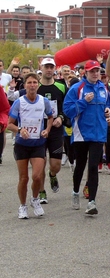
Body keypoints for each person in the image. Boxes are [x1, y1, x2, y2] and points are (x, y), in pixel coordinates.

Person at [63, 60, 110, 215]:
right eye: (92, 71)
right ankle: (75, 192)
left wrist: (109, 113)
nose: (96, 73)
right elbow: (68, 111)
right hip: (81, 134)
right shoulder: (77, 88)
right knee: (80, 165)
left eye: (97, 71)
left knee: (93, 167)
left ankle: (92, 201)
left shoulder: (103, 88)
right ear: (85, 72)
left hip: (99, 134)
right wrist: (84, 102)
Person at [7, 72, 53, 219]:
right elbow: (9, 124)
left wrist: (47, 129)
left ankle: (35, 199)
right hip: (22, 144)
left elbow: (51, 116)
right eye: (29, 83)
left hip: (38, 143)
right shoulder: (19, 102)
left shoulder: (44, 101)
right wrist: (20, 130)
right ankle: (22, 206)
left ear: (38, 85)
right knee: (24, 178)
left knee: (37, 176)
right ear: (25, 85)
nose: (32, 85)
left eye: (35, 82)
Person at [36, 57, 67, 204]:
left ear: (55, 69)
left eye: (51, 67)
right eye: (46, 67)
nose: (49, 70)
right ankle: (41, 191)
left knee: (55, 165)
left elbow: (66, 106)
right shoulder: (35, 86)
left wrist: (61, 117)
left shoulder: (61, 86)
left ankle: (52, 174)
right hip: (38, 130)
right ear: (41, 68)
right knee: (39, 163)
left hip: (55, 129)